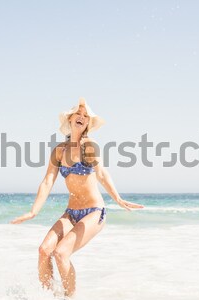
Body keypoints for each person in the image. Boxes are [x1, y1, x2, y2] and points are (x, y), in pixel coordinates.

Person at [10, 97, 144, 297]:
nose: (82, 117)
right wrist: (33, 211)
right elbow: (47, 181)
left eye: (86, 116)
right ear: (70, 118)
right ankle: (49, 295)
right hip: (71, 213)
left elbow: (101, 173)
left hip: (94, 212)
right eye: (78, 114)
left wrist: (118, 199)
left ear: (88, 123)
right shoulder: (59, 151)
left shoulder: (89, 145)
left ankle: (70, 296)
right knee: (44, 250)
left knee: (61, 252)